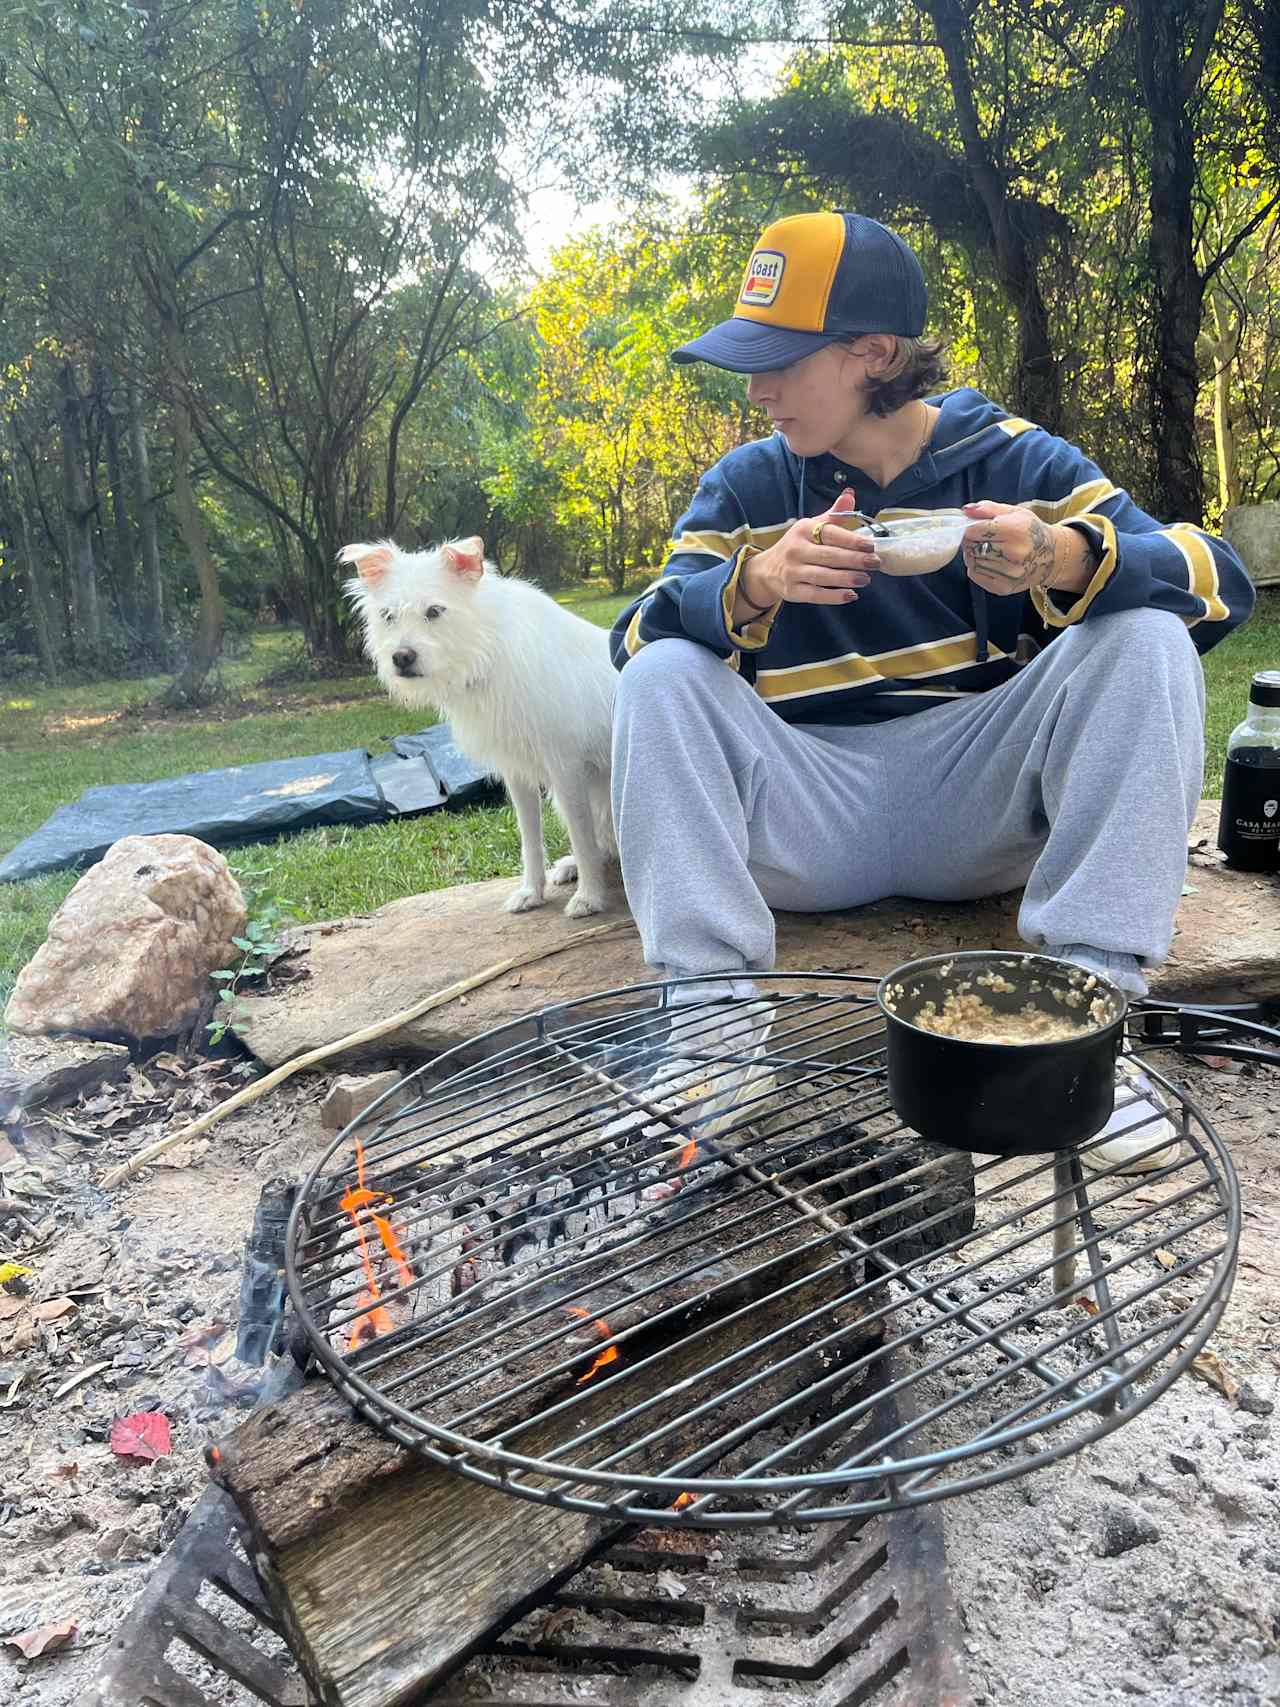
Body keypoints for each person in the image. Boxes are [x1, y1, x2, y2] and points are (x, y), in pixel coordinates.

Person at [608, 210, 1255, 1170]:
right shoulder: (748, 488)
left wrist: (1066, 553)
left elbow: (1221, 580)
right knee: (661, 673)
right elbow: (631, 640)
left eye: (781, 360)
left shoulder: (1011, 455)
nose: (758, 389)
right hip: (802, 814)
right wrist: (751, 584)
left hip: (980, 803)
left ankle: (1086, 1023)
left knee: (1147, 632)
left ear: (871, 353)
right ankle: (712, 1032)